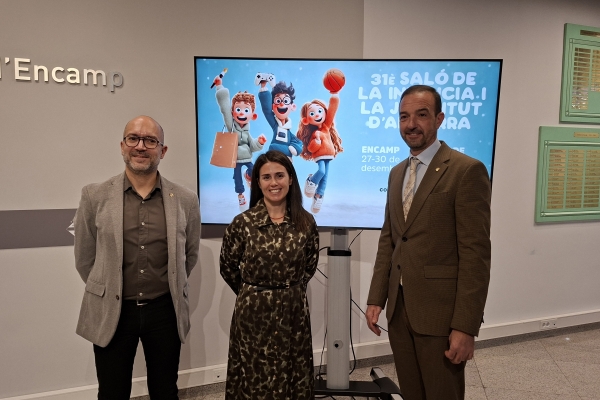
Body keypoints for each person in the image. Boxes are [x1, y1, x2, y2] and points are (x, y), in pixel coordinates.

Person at [365, 85, 491, 400]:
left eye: (421, 115)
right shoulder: (396, 173)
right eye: (404, 117)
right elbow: (390, 240)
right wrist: (376, 298)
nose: (411, 124)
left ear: (439, 119)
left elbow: (475, 256)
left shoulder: (466, 171)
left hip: (441, 316)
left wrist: (466, 326)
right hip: (399, 312)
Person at [74, 115, 201, 400]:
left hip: (165, 310)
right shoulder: (94, 196)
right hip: (114, 311)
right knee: (112, 392)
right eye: (133, 138)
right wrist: (107, 287)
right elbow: (84, 258)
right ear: (123, 146)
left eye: (150, 141)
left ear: (162, 150)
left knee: (165, 391)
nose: (141, 146)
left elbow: (188, 255)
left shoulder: (185, 199)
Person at [219, 150, 319, 399]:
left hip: (293, 312)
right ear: (258, 182)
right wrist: (254, 292)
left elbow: (309, 266)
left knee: (292, 370)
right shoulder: (242, 223)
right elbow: (228, 267)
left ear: (291, 179)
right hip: (253, 314)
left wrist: (285, 291)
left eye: (279, 175)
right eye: (266, 177)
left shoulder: (306, 222)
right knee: (254, 374)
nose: (274, 183)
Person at [212, 73, 267, 211]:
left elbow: (252, 146)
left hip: (247, 158)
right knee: (237, 178)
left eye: (246, 110)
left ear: (253, 115)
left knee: (255, 171)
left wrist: (259, 142)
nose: (242, 113)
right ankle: (241, 196)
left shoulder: (247, 132)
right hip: (235, 159)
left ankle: (251, 180)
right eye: (238, 109)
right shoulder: (231, 126)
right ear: (233, 112)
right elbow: (225, 108)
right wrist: (219, 86)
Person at [297, 90, 344, 214]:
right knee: (322, 171)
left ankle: (318, 196)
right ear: (306, 120)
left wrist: (335, 94)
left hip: (329, 154)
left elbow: (333, 109)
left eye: (319, 111)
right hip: (319, 155)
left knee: (325, 178)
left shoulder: (326, 126)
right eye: (312, 113)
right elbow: (311, 149)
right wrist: (317, 141)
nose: (317, 115)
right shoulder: (314, 133)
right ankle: (311, 181)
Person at [257, 75, 303, 160]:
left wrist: (294, 148)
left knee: (274, 147)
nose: (281, 104)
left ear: (292, 106)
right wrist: (263, 87)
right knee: (273, 147)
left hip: (286, 159)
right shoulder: (275, 125)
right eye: (278, 101)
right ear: (272, 106)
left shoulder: (290, 134)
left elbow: (298, 143)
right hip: (273, 157)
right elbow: (267, 111)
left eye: (286, 101)